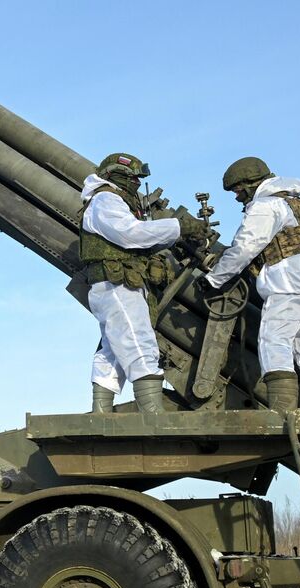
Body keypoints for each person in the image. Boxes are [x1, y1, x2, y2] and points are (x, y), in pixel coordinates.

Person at [199, 157, 300, 412]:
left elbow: (245, 247)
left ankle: (282, 413)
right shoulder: (298, 202)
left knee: (273, 342)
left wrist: (214, 279)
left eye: (237, 191)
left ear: (248, 185)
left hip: (289, 285)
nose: (237, 198)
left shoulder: (266, 206)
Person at [80, 152, 205, 414]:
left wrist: (173, 237)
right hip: (117, 283)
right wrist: (178, 227)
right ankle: (153, 415)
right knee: (139, 342)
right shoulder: (106, 200)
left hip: (119, 283)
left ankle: (100, 411)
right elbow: (131, 234)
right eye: (134, 177)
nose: (137, 182)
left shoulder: (110, 200)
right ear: (118, 176)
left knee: (113, 348)